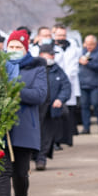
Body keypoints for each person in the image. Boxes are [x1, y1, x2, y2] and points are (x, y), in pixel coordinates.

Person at [0, 30, 47, 196]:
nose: (14, 51)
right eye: (11, 47)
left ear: (26, 49)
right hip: (2, 126)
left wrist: (14, 89)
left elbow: (40, 95)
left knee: (20, 173)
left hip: (25, 126)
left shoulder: (37, 67)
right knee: (1, 171)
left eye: (18, 47)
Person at [35, 42, 72, 171]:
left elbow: (66, 87)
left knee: (46, 135)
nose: (51, 57)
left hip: (51, 110)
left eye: (52, 55)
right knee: (35, 134)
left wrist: (60, 99)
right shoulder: (34, 69)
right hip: (36, 108)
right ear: (41, 55)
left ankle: (41, 159)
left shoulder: (57, 70)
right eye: (49, 54)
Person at [52, 24, 81, 145]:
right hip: (55, 83)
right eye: (59, 35)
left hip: (70, 81)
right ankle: (56, 141)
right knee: (57, 112)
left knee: (68, 111)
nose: (61, 37)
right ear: (54, 35)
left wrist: (66, 78)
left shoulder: (72, 48)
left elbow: (74, 65)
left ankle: (67, 138)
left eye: (63, 35)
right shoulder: (51, 48)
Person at [78, 34, 98, 134]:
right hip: (83, 83)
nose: (88, 46)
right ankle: (86, 128)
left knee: (96, 104)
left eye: (91, 44)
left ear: (95, 44)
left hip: (95, 84)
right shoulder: (82, 52)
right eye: (87, 44)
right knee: (84, 106)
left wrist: (88, 63)